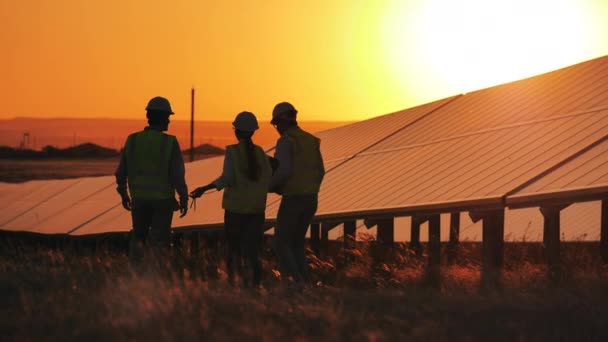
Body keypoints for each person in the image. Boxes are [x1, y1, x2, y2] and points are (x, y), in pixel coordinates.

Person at [190, 111, 272, 288]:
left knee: (234, 251)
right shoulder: (260, 153)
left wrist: (204, 188)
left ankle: (234, 286)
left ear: (237, 131)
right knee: (253, 252)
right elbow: (269, 177)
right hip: (256, 211)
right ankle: (254, 287)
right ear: (253, 131)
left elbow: (226, 178)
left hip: (235, 211)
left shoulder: (233, 152)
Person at [115, 96, 189, 269]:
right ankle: (156, 275)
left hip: (139, 200)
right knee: (159, 242)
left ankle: (136, 273)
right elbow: (178, 175)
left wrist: (124, 194)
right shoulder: (169, 142)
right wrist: (184, 197)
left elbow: (120, 172)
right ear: (162, 118)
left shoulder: (132, 140)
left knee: (138, 238)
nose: (169, 121)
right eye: (168, 117)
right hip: (162, 202)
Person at [269, 102, 325, 288]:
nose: (277, 129)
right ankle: (306, 282)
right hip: (311, 198)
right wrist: (310, 188)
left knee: (281, 243)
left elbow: (283, 171)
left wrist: (268, 186)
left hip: (293, 198)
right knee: (297, 242)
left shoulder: (286, 141)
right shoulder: (310, 140)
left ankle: (296, 282)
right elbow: (321, 171)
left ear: (281, 121)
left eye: (276, 124)